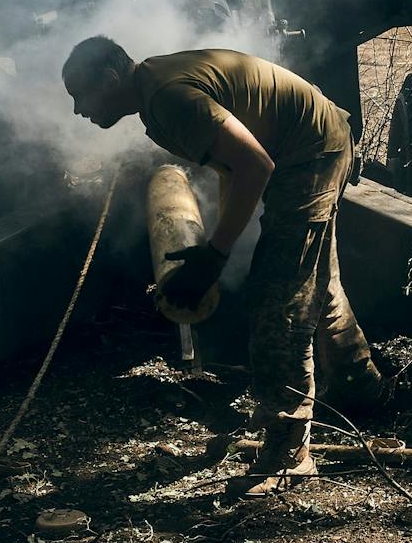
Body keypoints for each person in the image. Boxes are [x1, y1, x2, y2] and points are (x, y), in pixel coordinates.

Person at [61, 35, 387, 497]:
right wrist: (216, 245)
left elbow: (255, 163)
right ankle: (360, 383)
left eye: (80, 95)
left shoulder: (167, 99)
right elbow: (232, 168)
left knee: (279, 301)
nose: (78, 110)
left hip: (310, 153)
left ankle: (289, 453)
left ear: (110, 80)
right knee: (314, 281)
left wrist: (214, 256)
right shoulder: (154, 88)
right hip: (316, 140)